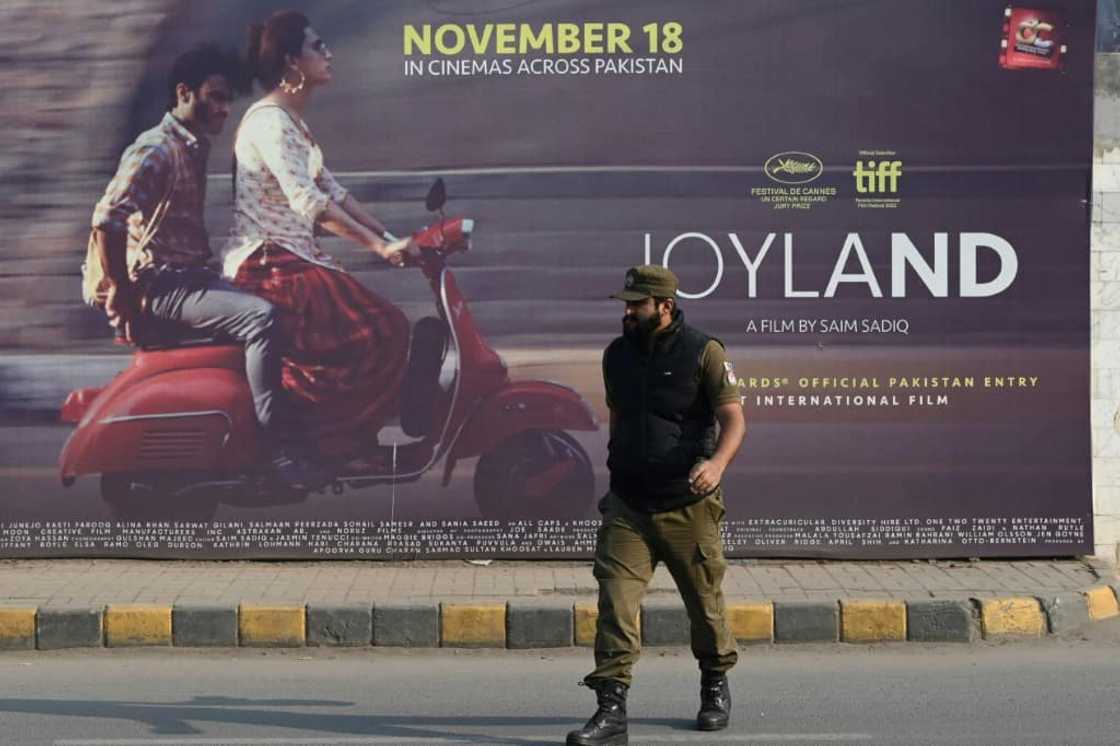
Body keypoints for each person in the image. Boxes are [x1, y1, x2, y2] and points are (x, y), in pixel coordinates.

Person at [90, 42, 321, 489]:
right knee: (262, 319)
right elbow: (107, 219)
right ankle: (276, 448)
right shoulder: (156, 149)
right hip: (162, 286)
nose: (223, 108)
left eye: (227, 99)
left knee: (287, 298)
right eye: (214, 97)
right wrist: (120, 286)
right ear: (184, 93)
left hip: (187, 277)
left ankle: (289, 424)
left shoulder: (191, 144)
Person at [222, 10, 414, 470]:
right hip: (269, 266)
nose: (329, 54)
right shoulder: (269, 123)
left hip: (290, 259)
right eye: (317, 47)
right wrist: (378, 247)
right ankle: (333, 443)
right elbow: (309, 202)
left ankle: (343, 438)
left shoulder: (292, 125)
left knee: (384, 328)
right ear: (292, 62)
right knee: (383, 329)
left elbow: (336, 193)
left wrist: (395, 239)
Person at [567, 265, 747, 746]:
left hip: (688, 505)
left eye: (636, 304)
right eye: (626, 304)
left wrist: (717, 465)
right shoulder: (616, 355)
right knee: (615, 605)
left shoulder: (704, 352)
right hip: (629, 506)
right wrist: (617, 475)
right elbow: (620, 418)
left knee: (705, 605)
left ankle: (714, 684)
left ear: (664, 306)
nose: (627, 312)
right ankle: (611, 709)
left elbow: (734, 420)